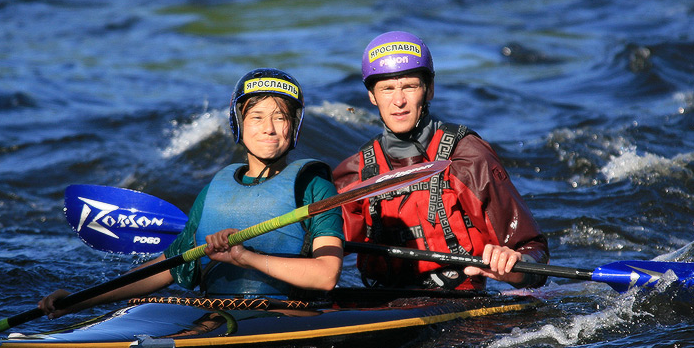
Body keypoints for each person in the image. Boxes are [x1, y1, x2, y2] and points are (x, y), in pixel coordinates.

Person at [40, 68, 344, 319]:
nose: (269, 128)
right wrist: (80, 301)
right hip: (220, 316)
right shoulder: (214, 191)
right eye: (257, 117)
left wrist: (245, 258)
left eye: (280, 118)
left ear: (294, 126)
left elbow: (325, 275)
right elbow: (164, 269)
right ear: (238, 123)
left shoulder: (314, 187)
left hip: (292, 317)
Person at [333, 31, 549, 291]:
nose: (398, 101)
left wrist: (513, 265)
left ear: (429, 89)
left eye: (409, 86)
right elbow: (319, 249)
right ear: (372, 96)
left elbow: (534, 253)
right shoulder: (356, 173)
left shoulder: (468, 158)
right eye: (387, 89)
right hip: (382, 301)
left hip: (459, 303)